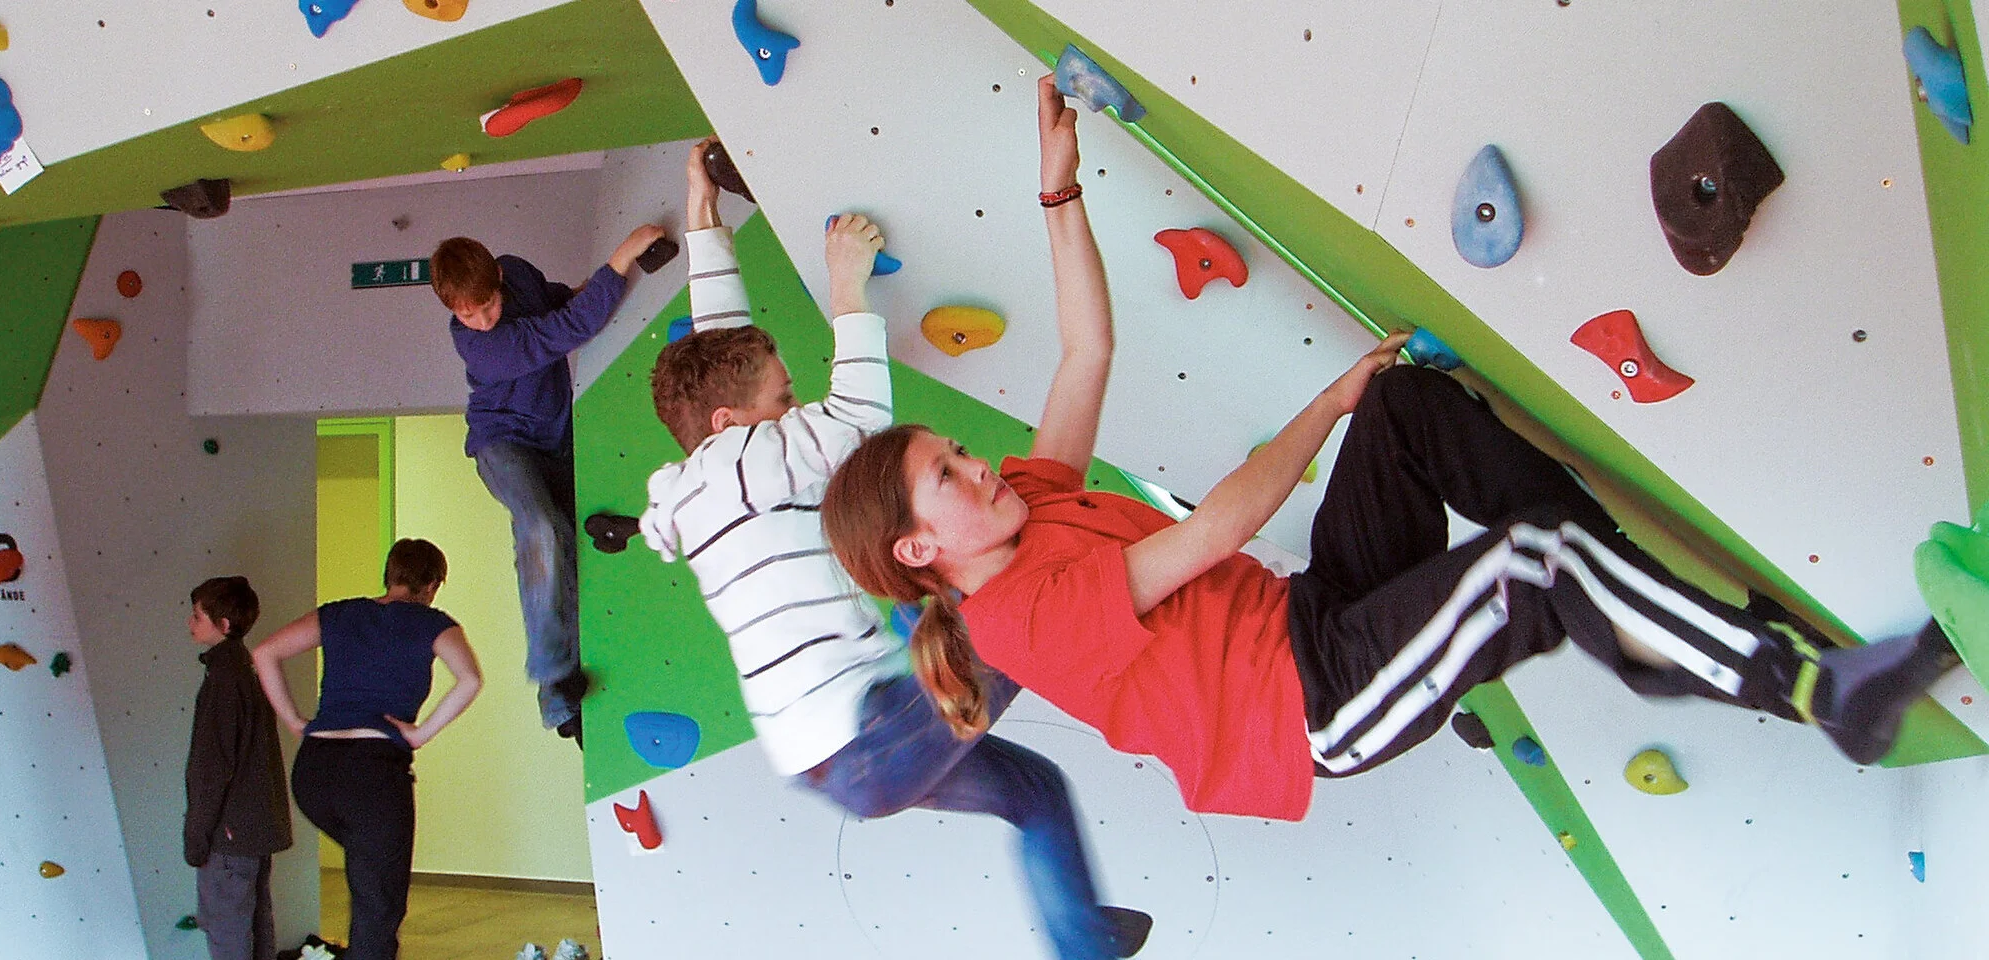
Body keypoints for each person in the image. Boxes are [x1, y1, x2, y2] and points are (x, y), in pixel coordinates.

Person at [820, 75, 1958, 825]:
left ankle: (1638, 597)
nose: (981, 467)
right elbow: (1219, 528)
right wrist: (1324, 399)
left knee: (1407, 409)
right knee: (1527, 568)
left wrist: (1056, 180)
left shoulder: (1024, 502)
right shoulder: (1017, 617)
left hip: (1310, 616)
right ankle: (1815, 691)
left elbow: (1085, 353)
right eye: (950, 479)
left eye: (959, 451)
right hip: (1313, 705)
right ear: (922, 550)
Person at [636, 136, 1149, 960]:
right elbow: (860, 424)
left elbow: (719, 351)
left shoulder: (707, 477)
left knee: (1035, 789)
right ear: (734, 428)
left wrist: (706, 211)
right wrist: (847, 281)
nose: (793, 406)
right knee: (1018, 614)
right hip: (869, 731)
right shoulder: (741, 461)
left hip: (840, 754)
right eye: (784, 398)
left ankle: (1081, 936)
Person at [432, 222, 666, 743]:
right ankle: (550, 668)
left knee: (569, 551)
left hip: (555, 439)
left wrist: (614, 277)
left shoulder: (516, 271)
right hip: (503, 443)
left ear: (498, 277)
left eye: (488, 306)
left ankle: (564, 704)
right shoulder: (479, 346)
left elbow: (561, 304)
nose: (482, 321)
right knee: (538, 527)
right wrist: (624, 253)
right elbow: (571, 329)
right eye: (466, 314)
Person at [251, 539, 483, 960]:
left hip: (313, 774)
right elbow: (469, 680)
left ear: (390, 575)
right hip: (373, 775)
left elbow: (265, 653)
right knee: (378, 903)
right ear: (432, 584)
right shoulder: (433, 623)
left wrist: (294, 721)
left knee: (369, 872)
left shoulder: (340, 613)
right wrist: (419, 733)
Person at [183, 576, 292, 960]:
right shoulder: (248, 671)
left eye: (198, 615)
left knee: (227, 928)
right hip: (255, 829)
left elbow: (211, 768)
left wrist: (196, 836)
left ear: (224, 625)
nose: (190, 622)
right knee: (257, 924)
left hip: (228, 834)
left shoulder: (223, 681)